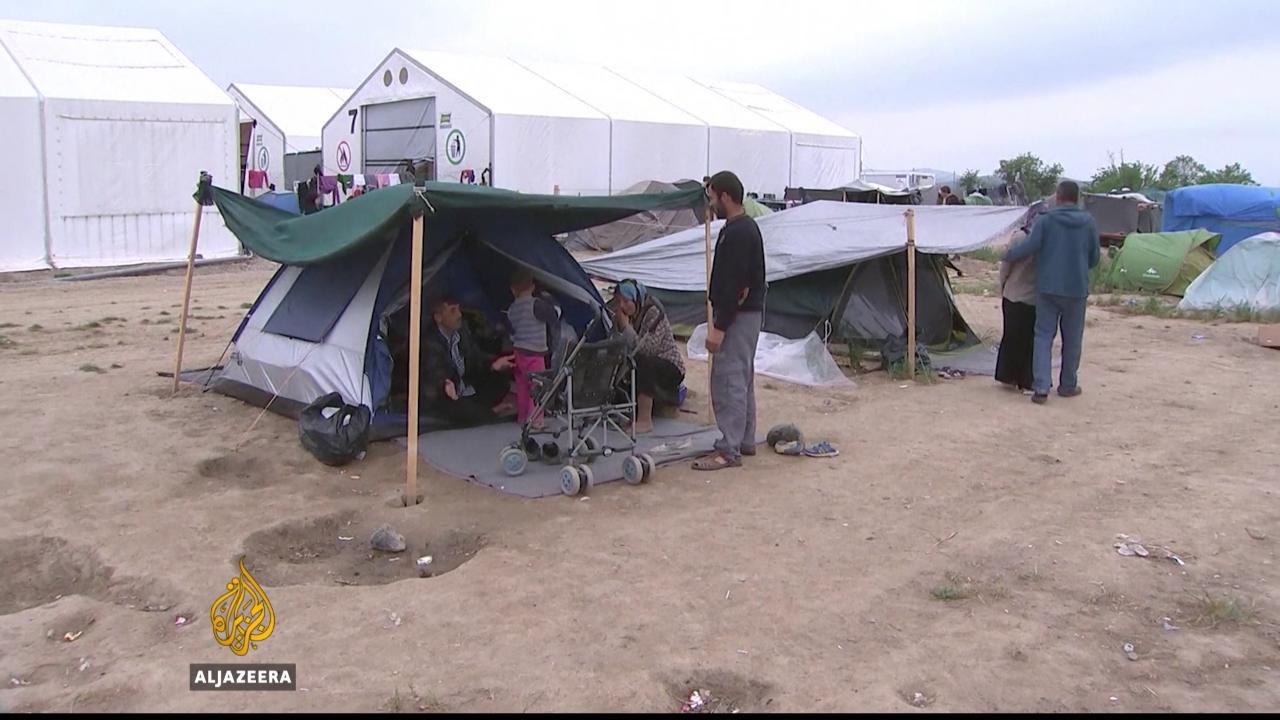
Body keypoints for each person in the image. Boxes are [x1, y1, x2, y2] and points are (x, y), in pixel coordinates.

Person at [693, 171, 766, 471]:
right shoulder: (741, 228)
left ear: (724, 196)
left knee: (728, 379)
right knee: (742, 377)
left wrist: (719, 326)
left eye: (712, 196)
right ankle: (744, 439)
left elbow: (737, 286)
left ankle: (729, 448)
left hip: (737, 316)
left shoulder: (739, 233)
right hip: (746, 314)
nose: (711, 202)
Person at [1003, 181, 1101, 405]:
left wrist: (1008, 255)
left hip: (1047, 288)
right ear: (1076, 198)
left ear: (1058, 196)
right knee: (1073, 339)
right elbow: (1095, 258)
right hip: (1076, 289)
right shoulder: (1089, 223)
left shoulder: (1046, 221)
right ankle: (1067, 385)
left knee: (1044, 336)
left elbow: (1029, 247)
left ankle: (1040, 388)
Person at [421, 295, 515, 427]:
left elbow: (475, 356)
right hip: (446, 398)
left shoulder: (461, 332)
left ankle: (483, 412)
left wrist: (493, 364)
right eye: (453, 311)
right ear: (438, 317)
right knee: (461, 408)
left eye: (459, 310)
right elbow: (433, 371)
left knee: (500, 379)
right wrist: (444, 384)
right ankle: (489, 414)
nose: (459, 315)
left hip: (466, 389)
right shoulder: (429, 342)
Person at [612, 279, 685, 434]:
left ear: (637, 299)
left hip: (668, 365)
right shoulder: (625, 315)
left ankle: (645, 421)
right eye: (619, 301)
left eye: (626, 301)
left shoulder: (653, 312)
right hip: (644, 365)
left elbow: (648, 348)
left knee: (643, 362)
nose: (622, 306)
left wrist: (626, 328)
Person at [995, 202, 1047, 392]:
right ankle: (1026, 379)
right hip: (1036, 297)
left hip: (1014, 294)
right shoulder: (1048, 239)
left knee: (1012, 336)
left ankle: (1008, 376)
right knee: (1029, 339)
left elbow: (1006, 266)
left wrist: (1002, 287)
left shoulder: (1020, 237)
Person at [504, 268, 558, 428]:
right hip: (535, 353)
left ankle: (522, 416)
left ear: (513, 290)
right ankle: (535, 419)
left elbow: (511, 330)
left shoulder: (512, 309)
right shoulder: (537, 305)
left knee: (522, 386)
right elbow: (554, 316)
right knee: (536, 386)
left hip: (519, 351)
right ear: (533, 287)